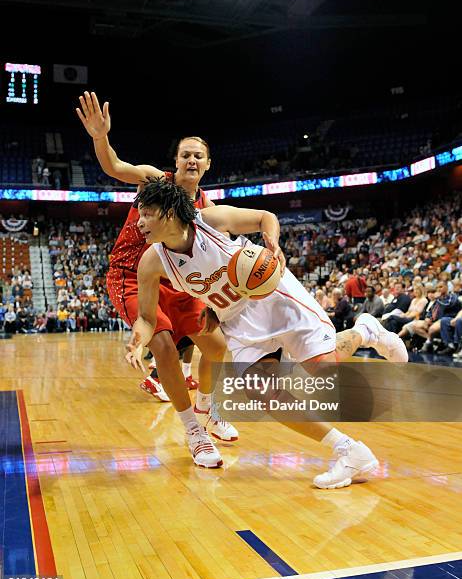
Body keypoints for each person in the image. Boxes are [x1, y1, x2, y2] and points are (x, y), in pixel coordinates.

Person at [126, 178, 408, 489]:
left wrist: (271, 244)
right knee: (262, 392)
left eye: (147, 213)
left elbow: (265, 218)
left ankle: (366, 330)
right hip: (236, 322)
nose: (139, 223)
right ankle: (349, 450)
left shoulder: (208, 221)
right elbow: (147, 318)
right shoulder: (151, 261)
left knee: (324, 371)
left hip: (273, 296)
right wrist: (139, 341)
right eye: (139, 214)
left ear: (168, 213)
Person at [76, 90, 236, 469]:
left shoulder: (206, 208)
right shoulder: (153, 181)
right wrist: (100, 136)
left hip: (177, 280)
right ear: (176, 161)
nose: (192, 159)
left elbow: (222, 250)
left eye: (199, 155)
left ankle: (207, 410)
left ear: (208, 164)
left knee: (216, 349)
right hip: (132, 275)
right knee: (163, 346)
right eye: (185, 154)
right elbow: (114, 165)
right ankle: (193, 433)